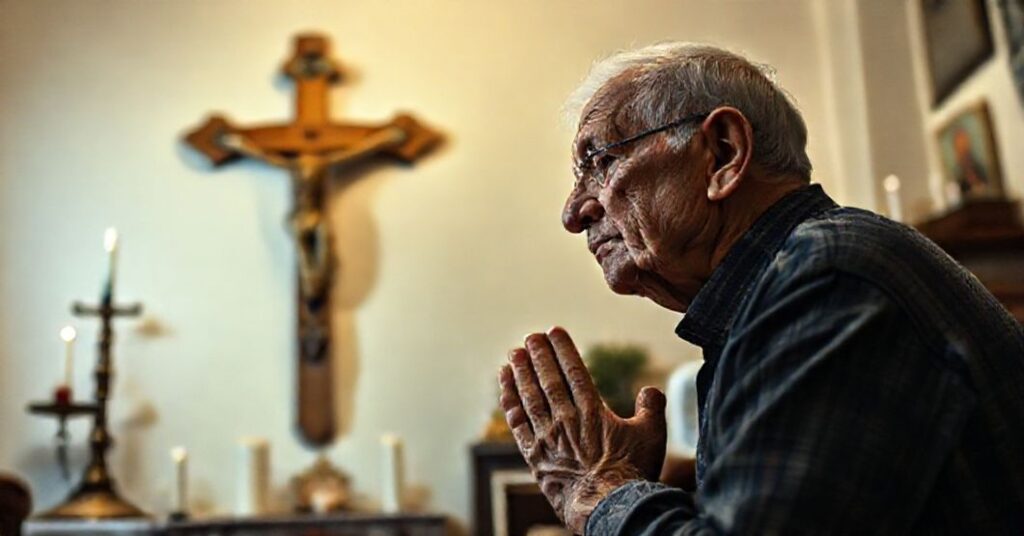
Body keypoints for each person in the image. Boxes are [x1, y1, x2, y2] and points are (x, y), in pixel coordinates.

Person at [497, 43, 1024, 535]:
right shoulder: (794, 280)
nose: (573, 212)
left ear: (723, 153)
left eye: (601, 162)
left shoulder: (827, 278)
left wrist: (601, 488)